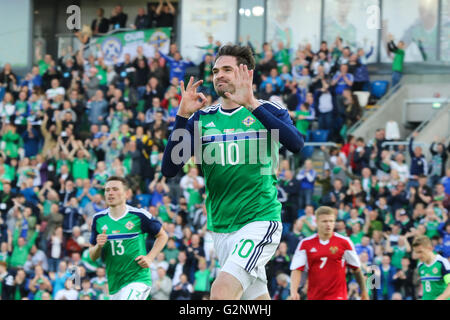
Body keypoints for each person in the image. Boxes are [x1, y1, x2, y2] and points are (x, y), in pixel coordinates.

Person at [162, 44, 304, 300]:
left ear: (246, 73)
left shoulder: (269, 111)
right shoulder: (202, 119)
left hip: (259, 220)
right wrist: (182, 115)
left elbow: (296, 144)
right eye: (216, 71)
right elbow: (170, 168)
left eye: (227, 69)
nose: (219, 75)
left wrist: (251, 104)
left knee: (221, 293)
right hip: (221, 227)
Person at [89, 176, 168, 300]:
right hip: (115, 283)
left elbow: (163, 236)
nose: (110, 193)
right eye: (107, 190)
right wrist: (98, 246)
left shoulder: (139, 215)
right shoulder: (98, 219)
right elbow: (92, 256)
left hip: (137, 279)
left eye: (115, 189)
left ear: (127, 193)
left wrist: (150, 257)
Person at [289, 206, 368, 300]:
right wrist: (293, 292)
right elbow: (297, 269)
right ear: (317, 222)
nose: (328, 224)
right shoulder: (305, 244)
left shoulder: (344, 242)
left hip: (338, 296)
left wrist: (364, 292)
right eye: (324, 221)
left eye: (331, 221)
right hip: (315, 296)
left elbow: (356, 269)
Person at [412, 235, 450, 300]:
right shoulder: (420, 265)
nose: (418, 255)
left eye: (420, 252)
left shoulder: (442, 262)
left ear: (430, 248)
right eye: (416, 252)